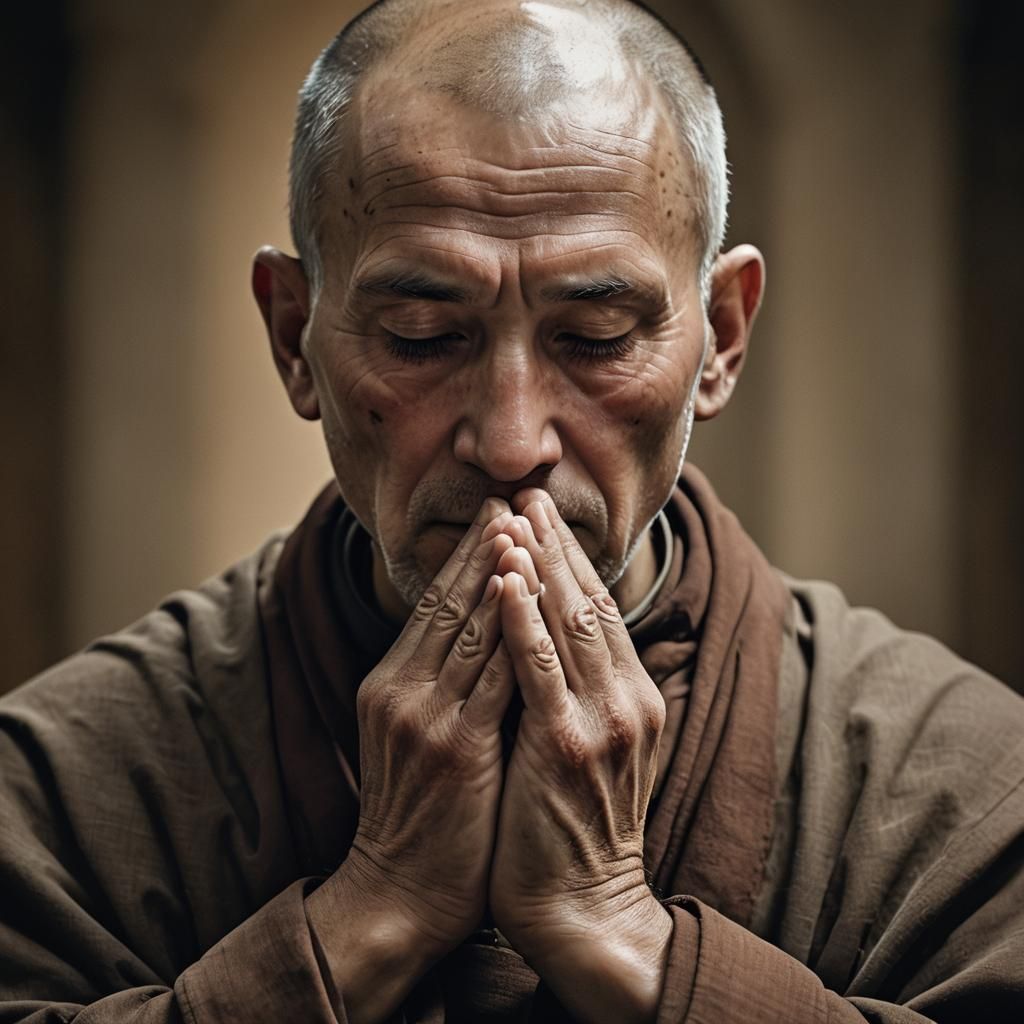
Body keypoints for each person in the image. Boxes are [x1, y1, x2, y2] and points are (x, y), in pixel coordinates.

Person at [1, 0, 1022, 1021]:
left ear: (719, 336)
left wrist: (622, 933)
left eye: (596, 336)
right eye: (419, 335)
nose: (510, 439)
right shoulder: (57, 789)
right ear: (293, 335)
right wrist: (374, 909)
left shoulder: (966, 783)